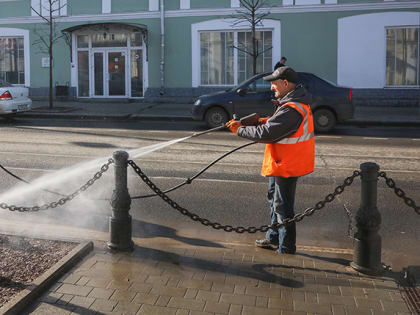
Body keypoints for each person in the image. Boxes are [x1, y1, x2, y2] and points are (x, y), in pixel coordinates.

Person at [226, 66, 315, 254]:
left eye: (274, 84)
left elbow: (268, 133)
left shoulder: (293, 108)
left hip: (288, 164)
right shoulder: (290, 102)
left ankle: (286, 248)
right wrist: (261, 120)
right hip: (280, 162)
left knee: (283, 207)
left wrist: (239, 130)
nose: (271, 88)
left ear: (285, 83)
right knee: (274, 200)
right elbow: (277, 125)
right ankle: (273, 238)